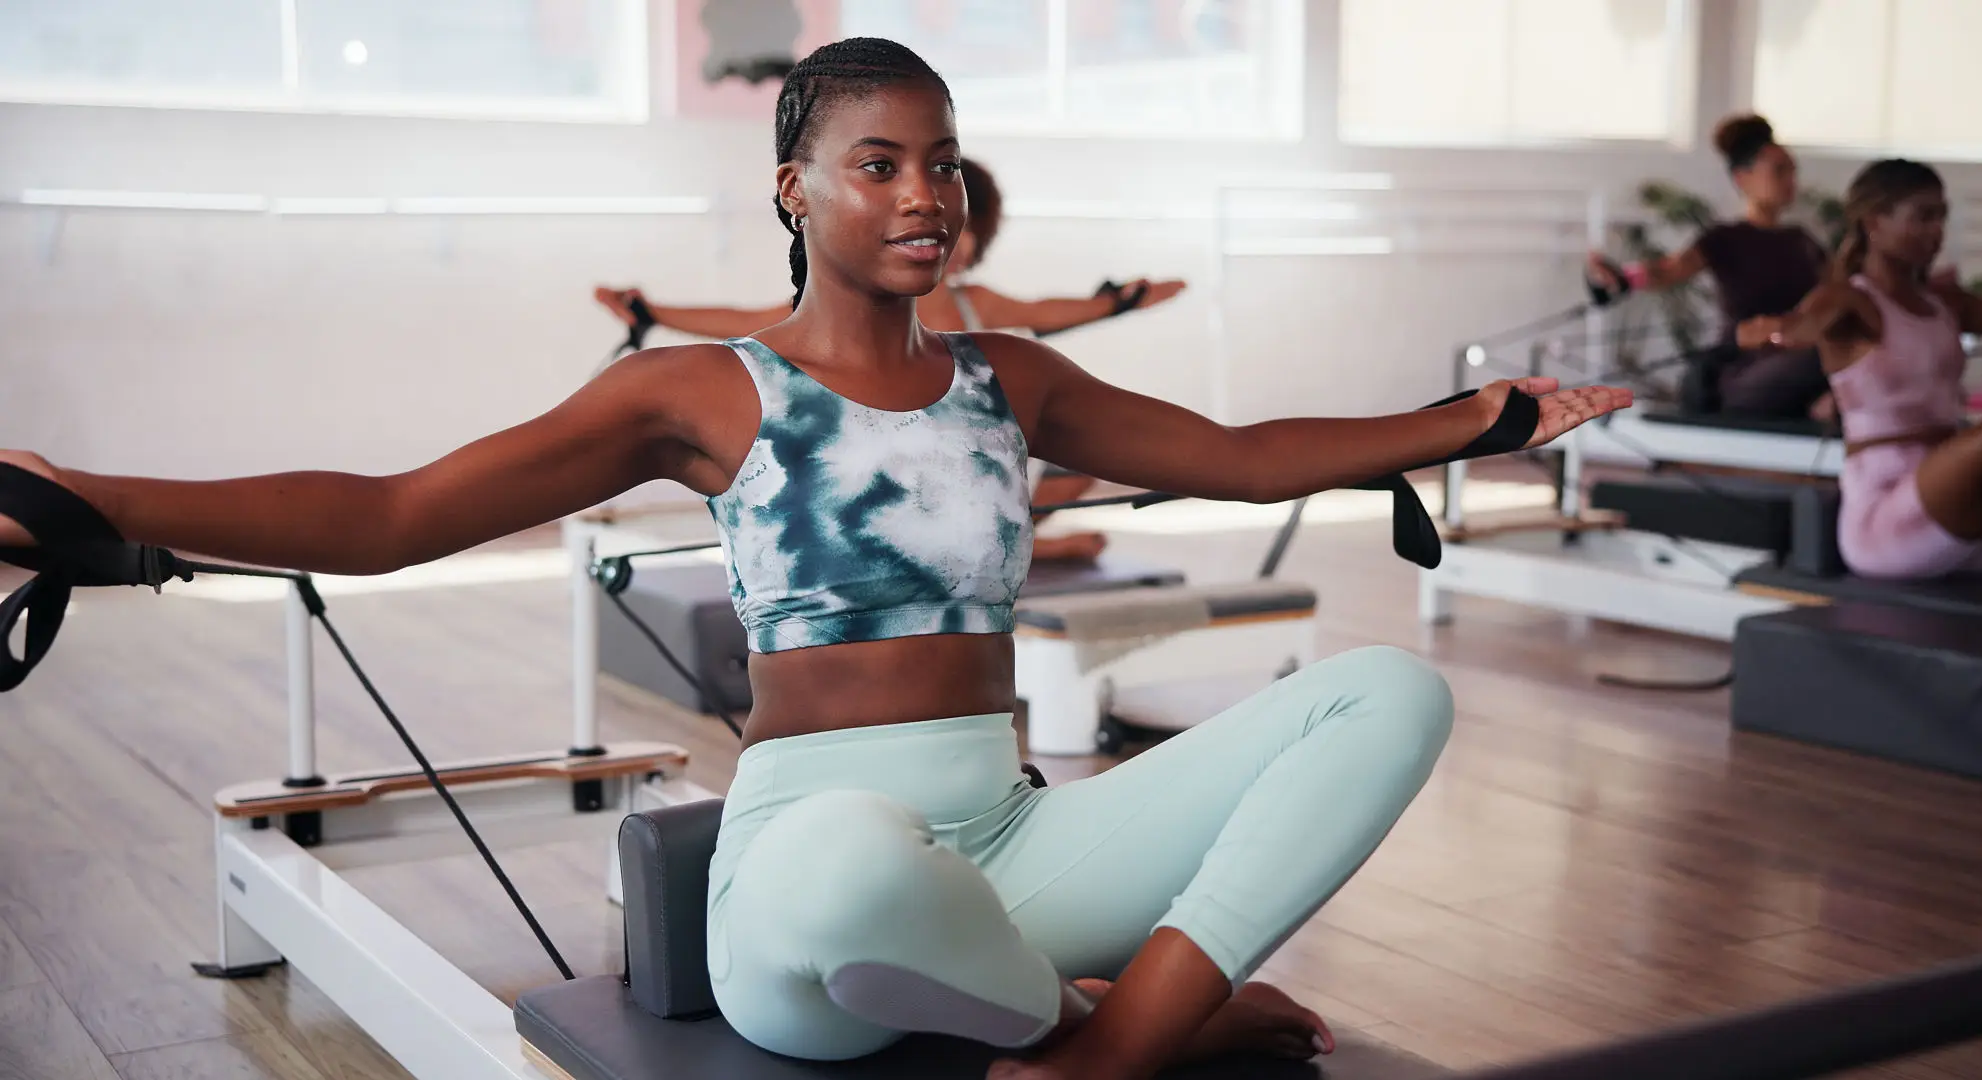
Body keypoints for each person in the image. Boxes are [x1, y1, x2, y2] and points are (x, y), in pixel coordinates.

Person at [0, 38, 1629, 1080]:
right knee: (857, 863)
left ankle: (1123, 1035)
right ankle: (1113, 1013)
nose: (922, 192)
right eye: (879, 162)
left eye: (938, 163)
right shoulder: (699, 390)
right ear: (793, 189)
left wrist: (1476, 417)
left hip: (1014, 838)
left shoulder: (1013, 380)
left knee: (1381, 697)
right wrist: (73, 486)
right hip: (808, 872)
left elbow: (1239, 454)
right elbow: (388, 514)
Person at [593, 157, 1188, 563]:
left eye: (961, 225)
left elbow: (1055, 311)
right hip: (888, 463)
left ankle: (1010, 547)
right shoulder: (857, 301)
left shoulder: (976, 301)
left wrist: (1120, 301)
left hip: (970, 464)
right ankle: (1016, 550)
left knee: (1074, 464)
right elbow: (741, 319)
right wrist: (653, 310)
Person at [1738, 159, 1982, 592]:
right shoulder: (1849, 300)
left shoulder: (1946, 303)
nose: (1936, 231)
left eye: (1941, 216)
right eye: (1922, 216)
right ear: (1873, 223)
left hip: (1968, 518)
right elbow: (1800, 328)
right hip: (1888, 524)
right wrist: (1768, 331)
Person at [1588, 113, 1834, 422]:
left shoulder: (1804, 241)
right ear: (1742, 178)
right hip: (1743, 372)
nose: (1791, 182)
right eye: (1779, 171)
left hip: (1798, 361)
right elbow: (1668, 270)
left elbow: (1838, 291)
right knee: (1816, 358)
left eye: (1793, 171)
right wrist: (1622, 277)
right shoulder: (1725, 239)